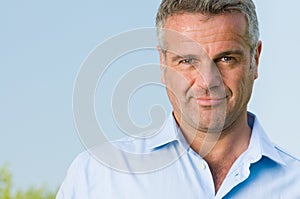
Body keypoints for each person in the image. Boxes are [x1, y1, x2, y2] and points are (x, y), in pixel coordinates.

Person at [56, 0, 300, 198]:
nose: (207, 81)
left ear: (254, 60)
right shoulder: (97, 177)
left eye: (226, 59)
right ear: (163, 64)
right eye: (187, 61)